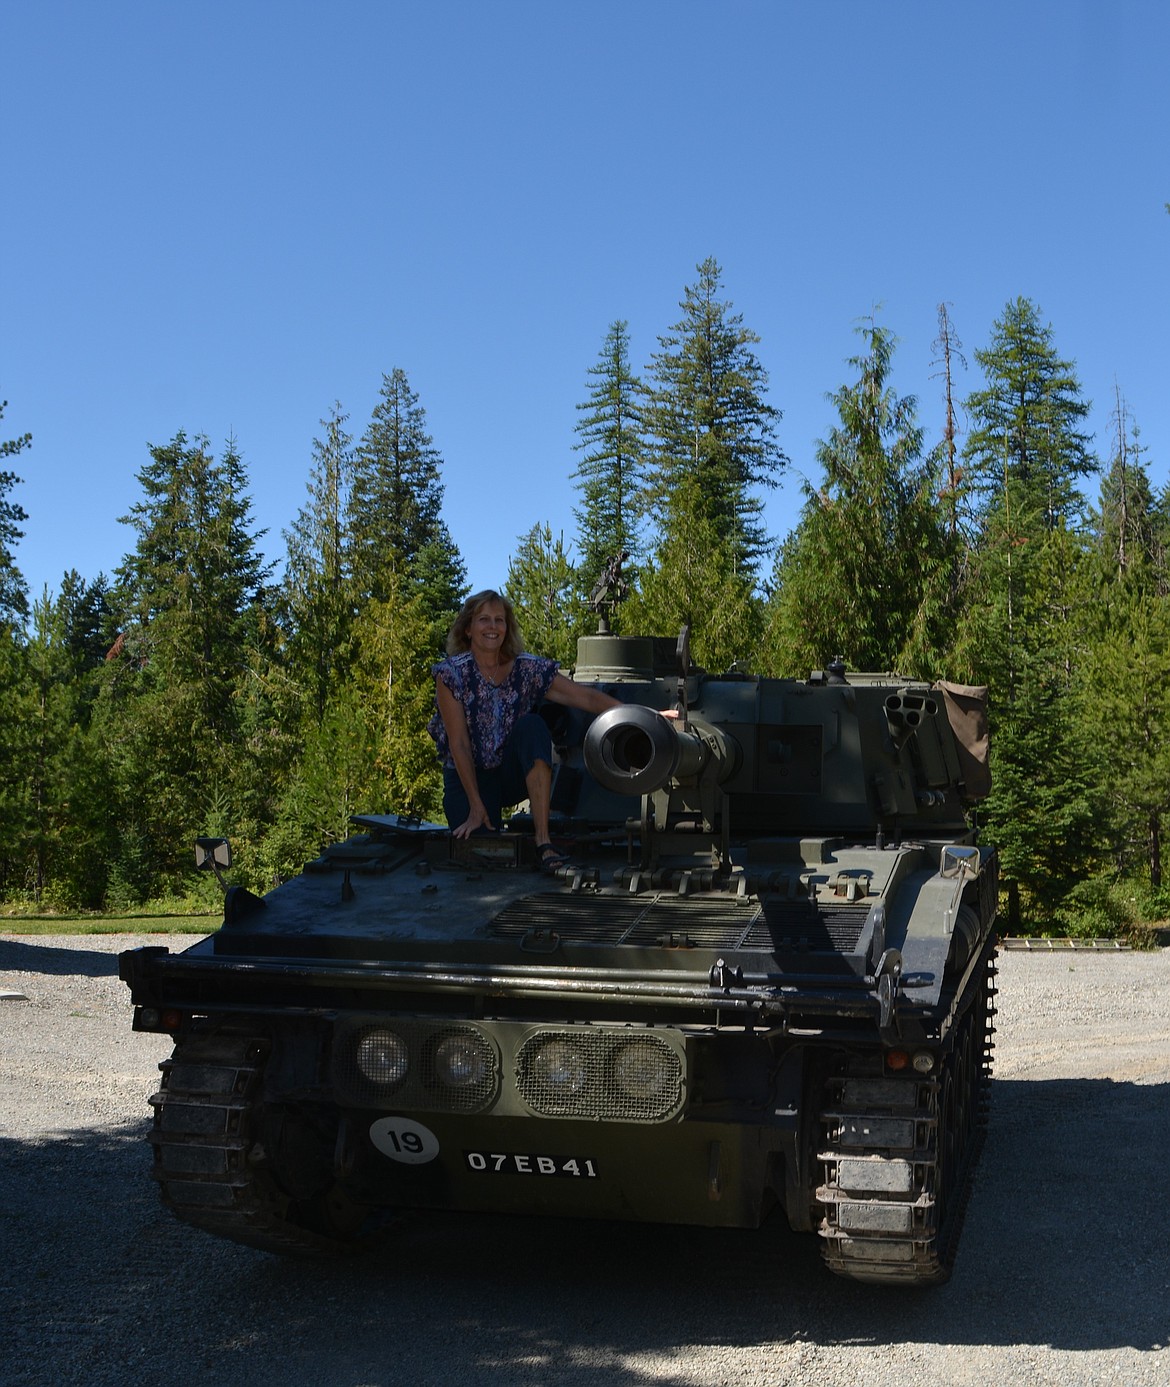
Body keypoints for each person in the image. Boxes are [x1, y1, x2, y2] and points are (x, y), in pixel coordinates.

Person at [428, 589, 623, 869]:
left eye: (499, 620)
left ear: (507, 628)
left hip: (509, 773)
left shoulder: (527, 669)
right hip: (466, 778)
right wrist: (475, 806)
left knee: (533, 726)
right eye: (484, 619)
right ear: (468, 628)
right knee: (480, 854)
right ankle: (480, 814)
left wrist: (643, 714)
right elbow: (458, 744)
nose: (492, 627)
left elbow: (585, 697)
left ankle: (543, 841)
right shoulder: (451, 674)